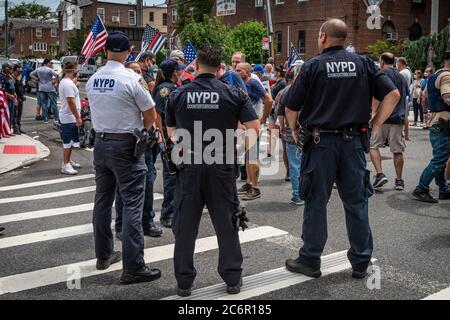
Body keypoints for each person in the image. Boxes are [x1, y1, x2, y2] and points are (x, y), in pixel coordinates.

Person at [284, 19, 400, 279]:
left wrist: (293, 129)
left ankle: (310, 259)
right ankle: (361, 262)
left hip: (319, 143)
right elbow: (393, 95)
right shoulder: (364, 63)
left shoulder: (313, 65)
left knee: (315, 201)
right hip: (353, 144)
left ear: (323, 37)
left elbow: (291, 106)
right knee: (356, 203)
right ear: (345, 38)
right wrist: (375, 123)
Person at [165, 43, 260, 297]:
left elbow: (171, 134)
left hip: (190, 166)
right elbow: (255, 128)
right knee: (227, 223)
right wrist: (238, 150)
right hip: (221, 164)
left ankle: (184, 282)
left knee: (185, 226)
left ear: (195, 66)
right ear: (220, 68)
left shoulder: (178, 94)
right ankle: (232, 278)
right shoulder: (233, 93)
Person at [86, 31, 161, 284]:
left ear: (105, 50)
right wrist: (148, 130)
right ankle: (133, 265)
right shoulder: (131, 78)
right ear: (128, 52)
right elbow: (150, 113)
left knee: (102, 201)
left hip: (101, 143)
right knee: (132, 204)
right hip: (126, 145)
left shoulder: (94, 78)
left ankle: (104, 254)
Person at [114, 60, 163, 239]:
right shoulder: (124, 90)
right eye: (133, 70)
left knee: (148, 182)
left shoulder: (144, 89)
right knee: (123, 187)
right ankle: (120, 225)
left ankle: (147, 221)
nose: (137, 73)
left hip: (146, 142)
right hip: (129, 142)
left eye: (138, 71)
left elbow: (153, 112)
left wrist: (155, 131)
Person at [412, 49, 450, 203]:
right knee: (440, 159)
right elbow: (448, 98)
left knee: (441, 157)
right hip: (444, 123)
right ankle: (421, 188)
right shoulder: (447, 76)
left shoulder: (435, 75)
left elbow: (423, 96)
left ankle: (444, 189)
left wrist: (428, 113)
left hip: (437, 122)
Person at [370, 52, 409, 191]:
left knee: (373, 146)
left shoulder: (381, 74)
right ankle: (399, 181)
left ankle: (380, 174)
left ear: (381, 61)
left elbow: (376, 96)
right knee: (397, 150)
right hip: (398, 118)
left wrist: (373, 113)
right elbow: (405, 97)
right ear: (394, 62)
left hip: (382, 117)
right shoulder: (401, 76)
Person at [152, 59, 183, 228]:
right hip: (170, 139)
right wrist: (162, 137)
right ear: (174, 72)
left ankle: (178, 210)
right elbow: (158, 114)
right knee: (171, 178)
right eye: (179, 70)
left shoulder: (175, 87)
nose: (181, 72)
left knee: (180, 177)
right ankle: (167, 214)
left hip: (179, 137)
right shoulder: (164, 90)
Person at [236, 62, 273, 200]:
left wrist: (263, 119)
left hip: (252, 123)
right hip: (244, 125)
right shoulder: (241, 83)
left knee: (252, 156)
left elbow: (269, 100)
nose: (235, 71)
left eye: (239, 70)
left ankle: (255, 187)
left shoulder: (253, 83)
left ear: (247, 72)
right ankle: (249, 183)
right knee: (247, 156)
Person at [277, 65, 304, 205]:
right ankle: (314, 193)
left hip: (292, 130)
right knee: (313, 163)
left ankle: (298, 195)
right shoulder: (316, 89)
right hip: (313, 132)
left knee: (295, 165)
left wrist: (283, 127)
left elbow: (281, 112)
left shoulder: (286, 91)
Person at [58, 61, 83, 175]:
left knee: (72, 140)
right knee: (67, 142)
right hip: (69, 117)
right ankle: (65, 164)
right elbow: (70, 101)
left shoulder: (67, 82)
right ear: (73, 69)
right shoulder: (67, 84)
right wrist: (77, 117)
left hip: (70, 116)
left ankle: (68, 161)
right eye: (76, 68)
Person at [30, 59, 59, 124]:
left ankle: (45, 119)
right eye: (50, 63)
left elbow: (31, 74)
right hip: (50, 87)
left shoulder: (39, 69)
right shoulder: (50, 70)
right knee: (54, 103)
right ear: (47, 63)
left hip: (41, 87)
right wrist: (55, 82)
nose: (50, 64)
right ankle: (56, 118)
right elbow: (57, 75)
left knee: (44, 104)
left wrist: (37, 79)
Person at [397, 57, 412, 141]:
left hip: (402, 95)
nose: (396, 64)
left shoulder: (402, 72)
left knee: (403, 116)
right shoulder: (408, 71)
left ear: (400, 63)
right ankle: (406, 135)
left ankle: (403, 134)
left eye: (397, 62)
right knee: (405, 116)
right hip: (406, 95)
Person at [2, 63, 17, 134]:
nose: (11, 70)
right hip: (6, 99)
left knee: (11, 115)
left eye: (11, 68)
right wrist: (9, 95)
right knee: (5, 115)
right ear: (5, 69)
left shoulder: (10, 77)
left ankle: (8, 130)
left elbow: (13, 86)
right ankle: (4, 131)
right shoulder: (2, 77)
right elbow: (2, 90)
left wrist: (14, 94)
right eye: (9, 68)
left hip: (12, 98)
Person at [12, 64, 25, 134]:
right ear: (14, 70)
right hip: (15, 98)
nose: (20, 73)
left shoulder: (20, 77)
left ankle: (19, 127)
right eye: (18, 72)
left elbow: (22, 87)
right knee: (15, 114)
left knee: (19, 114)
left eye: (21, 71)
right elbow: (12, 90)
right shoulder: (12, 78)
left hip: (21, 98)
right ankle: (15, 128)